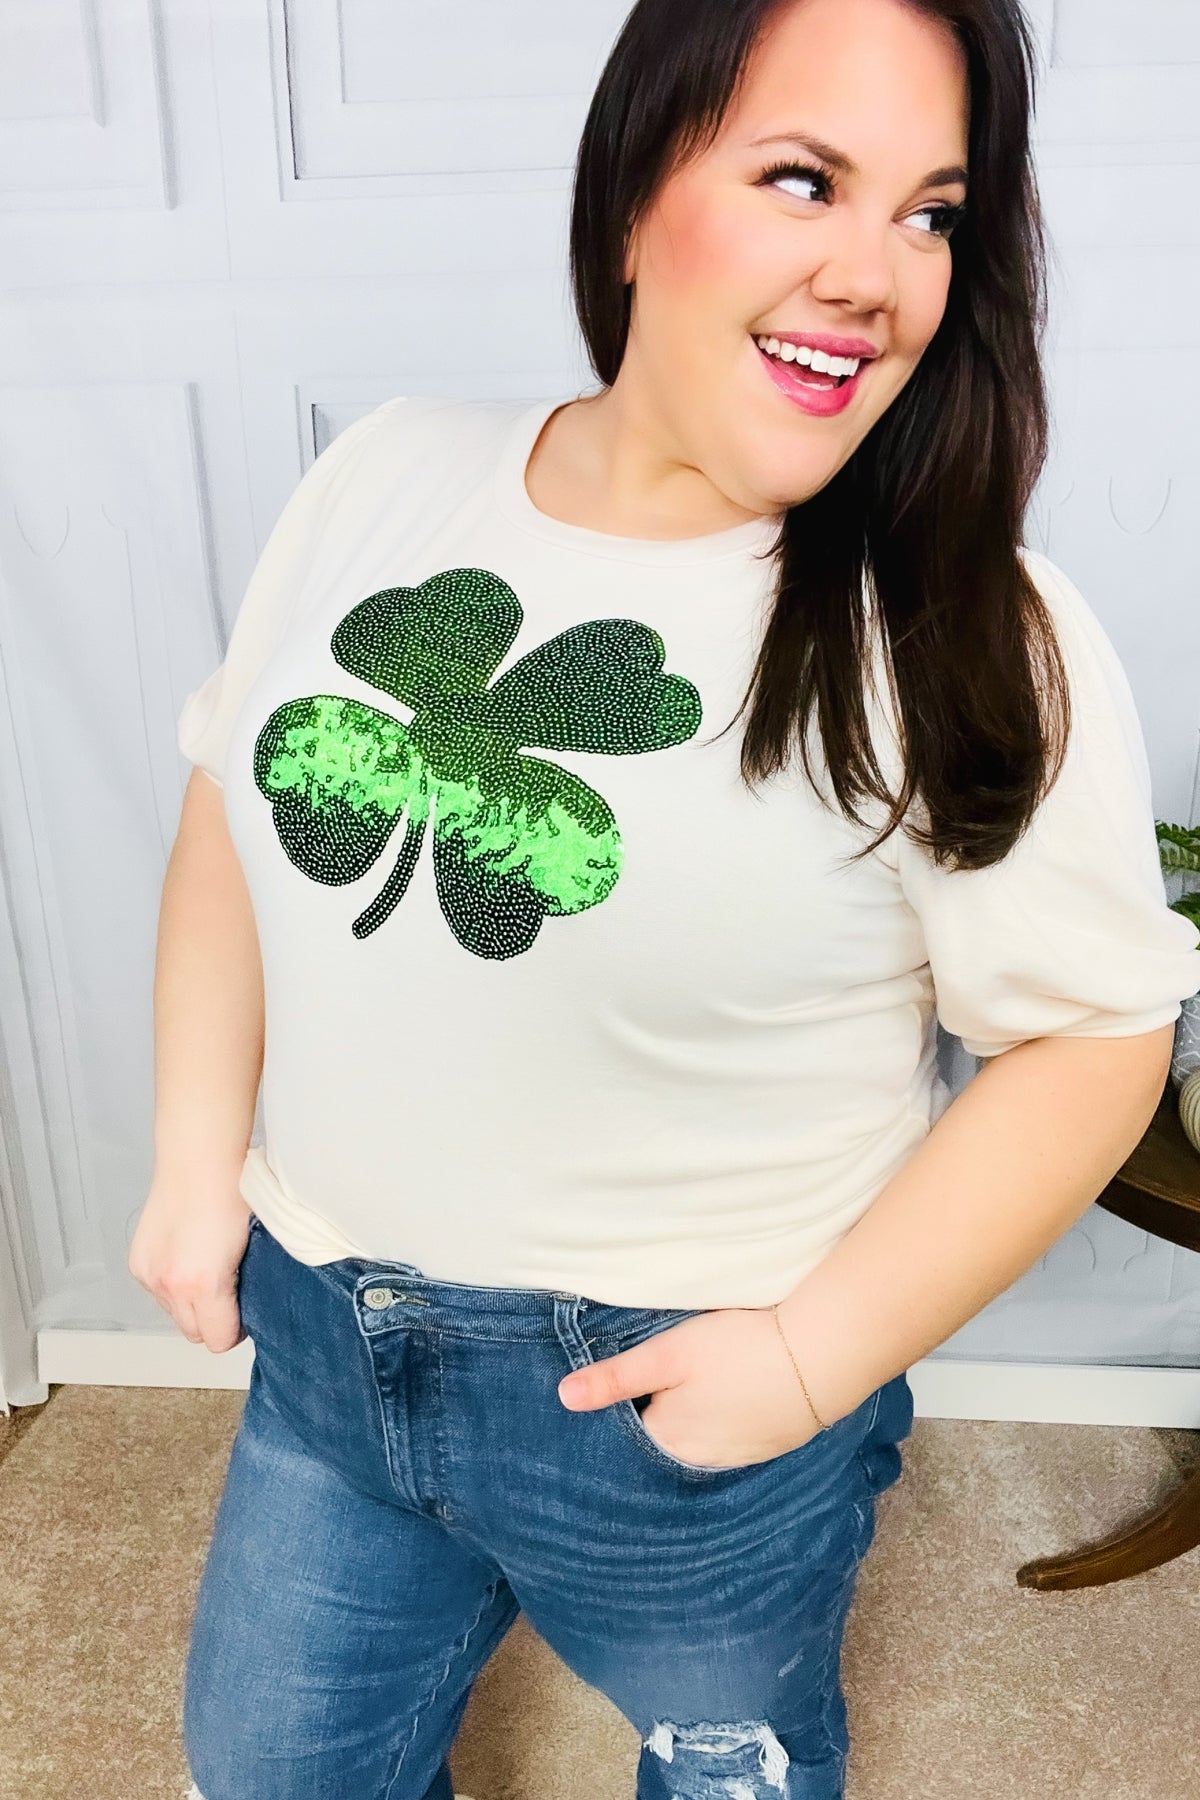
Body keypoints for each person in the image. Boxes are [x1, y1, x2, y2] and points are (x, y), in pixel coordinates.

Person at [132, 0, 1200, 1796]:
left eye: (931, 214)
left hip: (674, 1398)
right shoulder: (389, 466)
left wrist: (805, 1363)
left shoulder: (969, 629)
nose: (873, 274)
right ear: (636, 190)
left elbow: (1095, 1036)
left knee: (732, 1764)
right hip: (321, 1341)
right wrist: (189, 1167)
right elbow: (231, 801)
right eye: (804, 180)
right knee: (271, 1771)